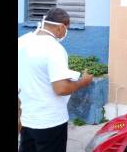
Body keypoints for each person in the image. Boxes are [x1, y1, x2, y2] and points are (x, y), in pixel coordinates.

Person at [18, 8, 93, 152]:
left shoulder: (21, 42)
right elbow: (61, 88)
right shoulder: (54, 48)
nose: (66, 33)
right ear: (60, 27)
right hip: (50, 122)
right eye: (67, 29)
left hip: (26, 118)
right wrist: (82, 82)